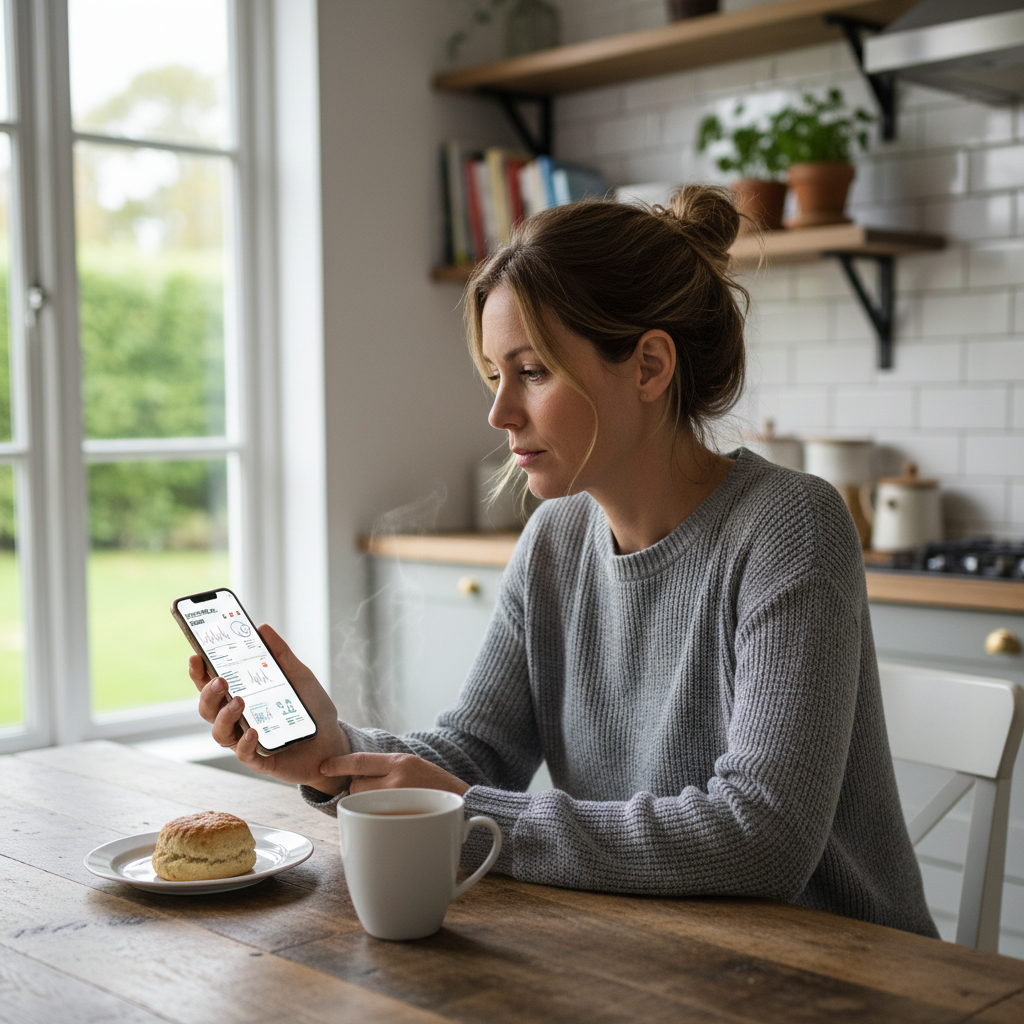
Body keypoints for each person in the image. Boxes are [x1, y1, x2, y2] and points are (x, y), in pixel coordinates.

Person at [191, 185, 938, 938]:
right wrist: (335, 751)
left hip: (839, 974)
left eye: (533, 371)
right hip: (658, 952)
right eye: (495, 374)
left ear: (649, 367)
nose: (499, 413)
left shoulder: (790, 527)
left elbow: (763, 838)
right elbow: (475, 754)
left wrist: (472, 817)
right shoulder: (554, 540)